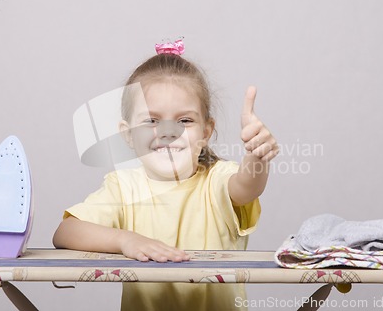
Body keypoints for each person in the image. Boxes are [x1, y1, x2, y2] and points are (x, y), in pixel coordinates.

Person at [53, 40, 279, 310]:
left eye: (185, 120)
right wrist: (126, 240)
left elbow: (247, 187)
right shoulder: (124, 187)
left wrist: (257, 155)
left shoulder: (217, 180)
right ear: (128, 134)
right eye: (151, 121)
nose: (168, 132)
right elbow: (66, 232)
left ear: (206, 132)